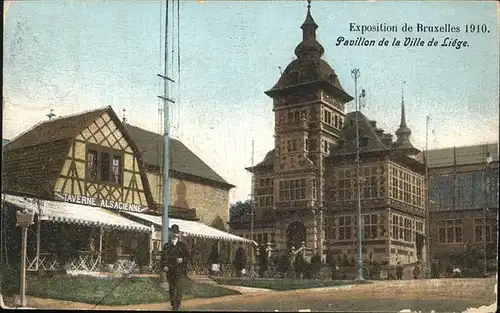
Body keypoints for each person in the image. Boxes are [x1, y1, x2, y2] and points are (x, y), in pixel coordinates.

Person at [161, 224, 190, 311]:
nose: (175, 234)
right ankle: (174, 303)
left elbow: (188, 257)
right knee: (172, 288)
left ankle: (176, 305)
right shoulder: (166, 245)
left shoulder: (182, 245)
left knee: (179, 288)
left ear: (178, 234)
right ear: (171, 233)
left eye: (176, 233)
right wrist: (164, 266)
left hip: (181, 271)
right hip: (170, 270)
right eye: (173, 232)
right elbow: (163, 258)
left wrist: (182, 259)